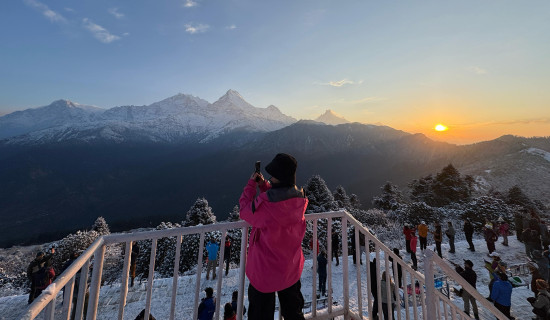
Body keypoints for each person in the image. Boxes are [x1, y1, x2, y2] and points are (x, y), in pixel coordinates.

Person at [239, 153, 308, 320]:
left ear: (279, 177)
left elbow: (244, 210)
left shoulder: (265, 206)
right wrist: (264, 185)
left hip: (265, 271)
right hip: (290, 268)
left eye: (273, 175)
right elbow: (280, 197)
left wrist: (251, 185)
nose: (270, 177)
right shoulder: (299, 200)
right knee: (293, 313)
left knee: (261, 314)